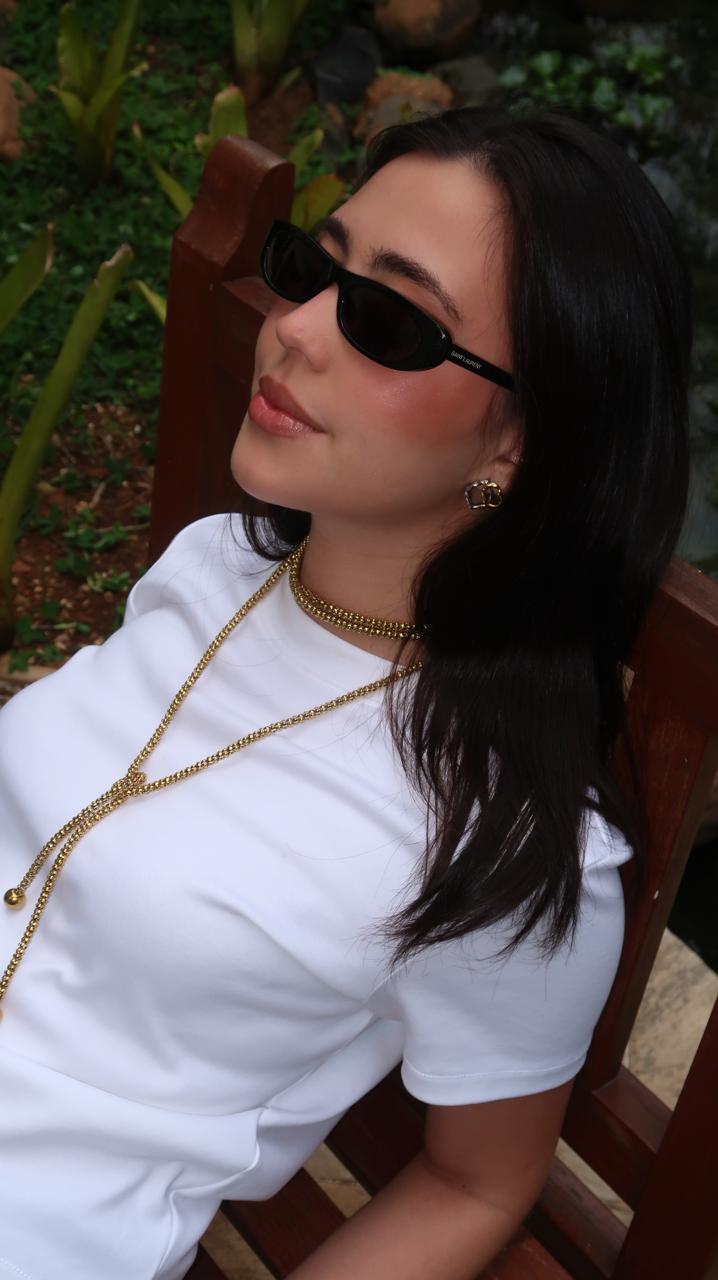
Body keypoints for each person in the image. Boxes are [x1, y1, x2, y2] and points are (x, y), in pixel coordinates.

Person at [0, 103, 691, 1280]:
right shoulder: (217, 567)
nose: (296, 327)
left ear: (516, 446)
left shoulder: (501, 838)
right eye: (313, 269)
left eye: (390, 320)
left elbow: (479, 1180)